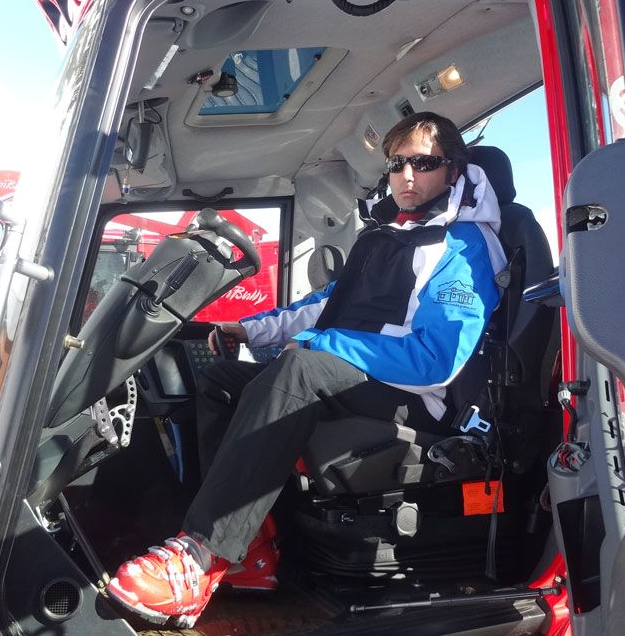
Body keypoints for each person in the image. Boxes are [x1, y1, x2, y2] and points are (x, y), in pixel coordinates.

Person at [106, 112, 507, 627]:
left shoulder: (466, 245)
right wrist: (251, 331)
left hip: (414, 391)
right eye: (398, 164)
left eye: (424, 163)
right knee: (221, 380)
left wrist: (323, 343)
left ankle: (200, 557)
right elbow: (327, 304)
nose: (408, 176)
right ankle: (251, 547)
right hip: (358, 370)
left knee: (297, 371)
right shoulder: (385, 233)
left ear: (453, 171)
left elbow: (437, 360)